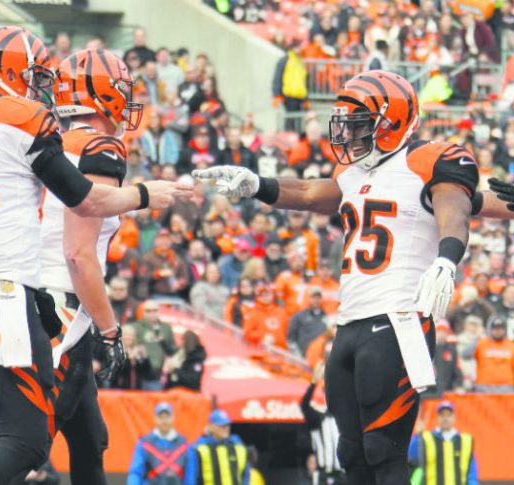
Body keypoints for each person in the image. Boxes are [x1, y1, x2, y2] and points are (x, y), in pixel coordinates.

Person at [0, 26, 190, 484]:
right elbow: (83, 218)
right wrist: (144, 194)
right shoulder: (31, 122)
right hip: (15, 298)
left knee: (79, 437)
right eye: (35, 76)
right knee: (25, 443)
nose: (41, 88)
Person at [194, 70, 479, 485]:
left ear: (392, 121)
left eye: (359, 123)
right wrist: (259, 184)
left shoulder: (430, 160)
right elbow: (310, 194)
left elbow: (456, 211)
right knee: (352, 453)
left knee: (386, 450)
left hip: (398, 320)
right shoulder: (353, 172)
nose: (349, 134)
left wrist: (447, 260)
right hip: (350, 324)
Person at [38, 47, 151, 485]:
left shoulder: (47, 140)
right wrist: (110, 329)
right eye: (120, 89)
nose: (125, 99)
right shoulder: (99, 145)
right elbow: (78, 253)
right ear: (100, 91)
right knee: (29, 447)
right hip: (62, 304)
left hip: (40, 295)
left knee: (90, 437)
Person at [408, 401, 478, 485]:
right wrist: (417, 435)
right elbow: (411, 457)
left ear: (454, 417)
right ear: (437, 417)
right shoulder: (426, 439)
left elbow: (471, 474)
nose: (445, 418)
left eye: (448, 415)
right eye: (442, 415)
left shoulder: (465, 442)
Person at [301, 363, 345, 485]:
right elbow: (304, 405)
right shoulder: (318, 417)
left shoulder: (342, 418)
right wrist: (314, 382)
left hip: (342, 474)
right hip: (323, 474)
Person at [128, 402, 191, 485]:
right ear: (155, 419)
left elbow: (189, 476)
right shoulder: (144, 444)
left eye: (167, 417)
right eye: (161, 417)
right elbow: (135, 473)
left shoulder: (184, 445)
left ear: (172, 418)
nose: (164, 421)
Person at [185, 410, 250, 485]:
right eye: (221, 426)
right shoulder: (199, 448)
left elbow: (246, 476)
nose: (226, 428)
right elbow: (191, 478)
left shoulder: (238, 446)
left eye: (227, 425)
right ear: (211, 427)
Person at [470, 315, 514, 393]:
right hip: (483, 388)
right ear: (490, 329)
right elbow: (465, 355)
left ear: (505, 329)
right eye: (495, 328)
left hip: (506, 389)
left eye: (500, 328)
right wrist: (475, 339)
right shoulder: (481, 343)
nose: (498, 331)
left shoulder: (512, 346)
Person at [131, 300, 178, 390]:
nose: (152, 313)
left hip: (160, 372)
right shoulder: (135, 327)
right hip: (140, 371)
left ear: (158, 311)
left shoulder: (166, 327)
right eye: (148, 311)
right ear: (143, 312)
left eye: (155, 310)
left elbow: (172, 348)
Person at [288, 286, 328, 357]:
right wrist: (297, 355)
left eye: (318, 297)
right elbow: (291, 339)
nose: (316, 300)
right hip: (303, 356)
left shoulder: (326, 317)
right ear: (308, 298)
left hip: (321, 357)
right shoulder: (298, 317)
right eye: (313, 297)